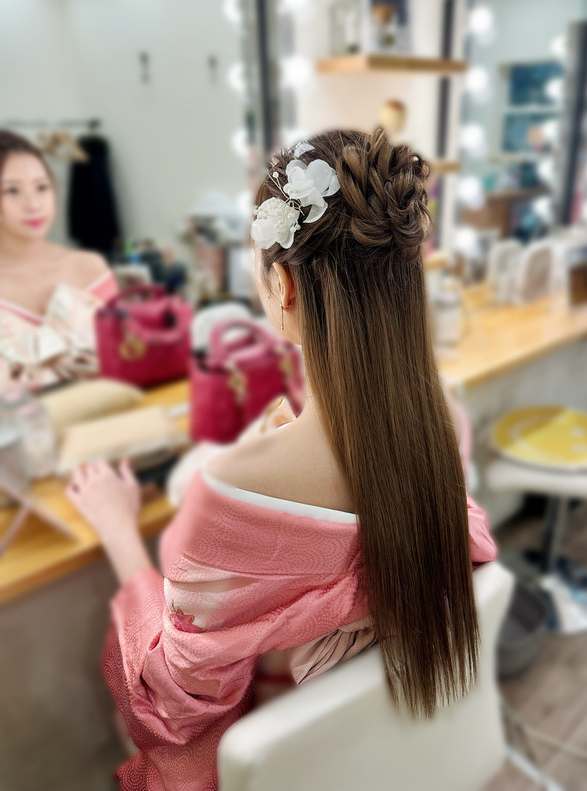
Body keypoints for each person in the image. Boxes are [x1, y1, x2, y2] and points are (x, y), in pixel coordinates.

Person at [66, 128, 497, 791]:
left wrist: (119, 530)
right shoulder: (444, 426)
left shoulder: (226, 494)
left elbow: (175, 699)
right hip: (389, 754)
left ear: (283, 285)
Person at [0, 130, 119, 387]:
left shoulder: (89, 267)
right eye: (12, 191)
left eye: (41, 187)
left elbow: (128, 355)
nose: (33, 204)